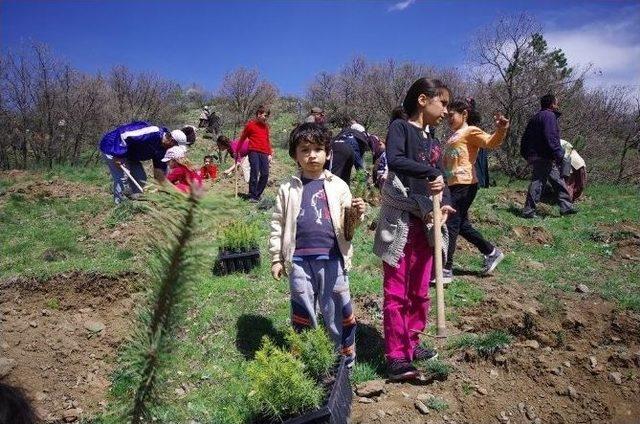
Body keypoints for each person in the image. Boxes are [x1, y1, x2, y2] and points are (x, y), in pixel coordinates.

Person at [373, 78, 455, 381]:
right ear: (423, 99)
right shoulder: (401, 128)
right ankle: (396, 356)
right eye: (443, 102)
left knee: (420, 290)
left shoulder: (433, 140)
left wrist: (444, 201)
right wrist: (431, 172)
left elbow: (441, 177)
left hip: (427, 223)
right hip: (401, 222)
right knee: (397, 291)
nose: (446, 110)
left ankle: (412, 341)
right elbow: (395, 160)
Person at [269, 123, 366, 367]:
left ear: (328, 153)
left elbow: (349, 224)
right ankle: (308, 358)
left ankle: (344, 358)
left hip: (333, 258)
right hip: (299, 261)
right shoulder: (287, 189)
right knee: (303, 311)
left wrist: (359, 212)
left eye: (318, 149)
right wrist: (276, 258)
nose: (312, 155)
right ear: (295, 155)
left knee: (337, 311)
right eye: (305, 149)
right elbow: (278, 224)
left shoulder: (338, 185)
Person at [442, 98, 509, 280]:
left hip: (465, 183)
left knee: (451, 224)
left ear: (464, 114)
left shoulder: (470, 131)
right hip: (453, 184)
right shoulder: (453, 136)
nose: (448, 119)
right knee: (461, 225)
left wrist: (501, 129)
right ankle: (491, 252)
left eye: (451, 115)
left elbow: (490, 142)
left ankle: (445, 269)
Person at [99, 121, 188, 204]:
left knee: (141, 178)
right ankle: (119, 204)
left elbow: (159, 170)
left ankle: (134, 201)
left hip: (130, 154)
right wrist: (118, 154)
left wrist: (163, 187)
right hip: (113, 147)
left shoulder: (163, 150)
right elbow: (123, 134)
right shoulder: (153, 132)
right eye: (175, 146)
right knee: (122, 178)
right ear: (171, 140)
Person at [520, 94, 576, 218]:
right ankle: (528, 212)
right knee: (538, 182)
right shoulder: (549, 116)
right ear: (552, 104)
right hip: (542, 156)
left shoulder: (536, 117)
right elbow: (551, 137)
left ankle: (566, 206)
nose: (558, 105)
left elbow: (525, 138)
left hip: (539, 155)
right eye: (557, 103)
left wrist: (526, 154)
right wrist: (559, 154)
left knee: (557, 180)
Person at [237, 105, 273, 202]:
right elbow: (243, 137)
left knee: (265, 174)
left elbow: (267, 140)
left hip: (264, 152)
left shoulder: (265, 127)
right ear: (259, 114)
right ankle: (253, 196)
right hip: (253, 151)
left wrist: (270, 153)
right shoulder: (250, 125)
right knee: (254, 172)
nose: (266, 118)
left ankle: (257, 194)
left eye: (267, 116)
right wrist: (237, 150)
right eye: (265, 115)